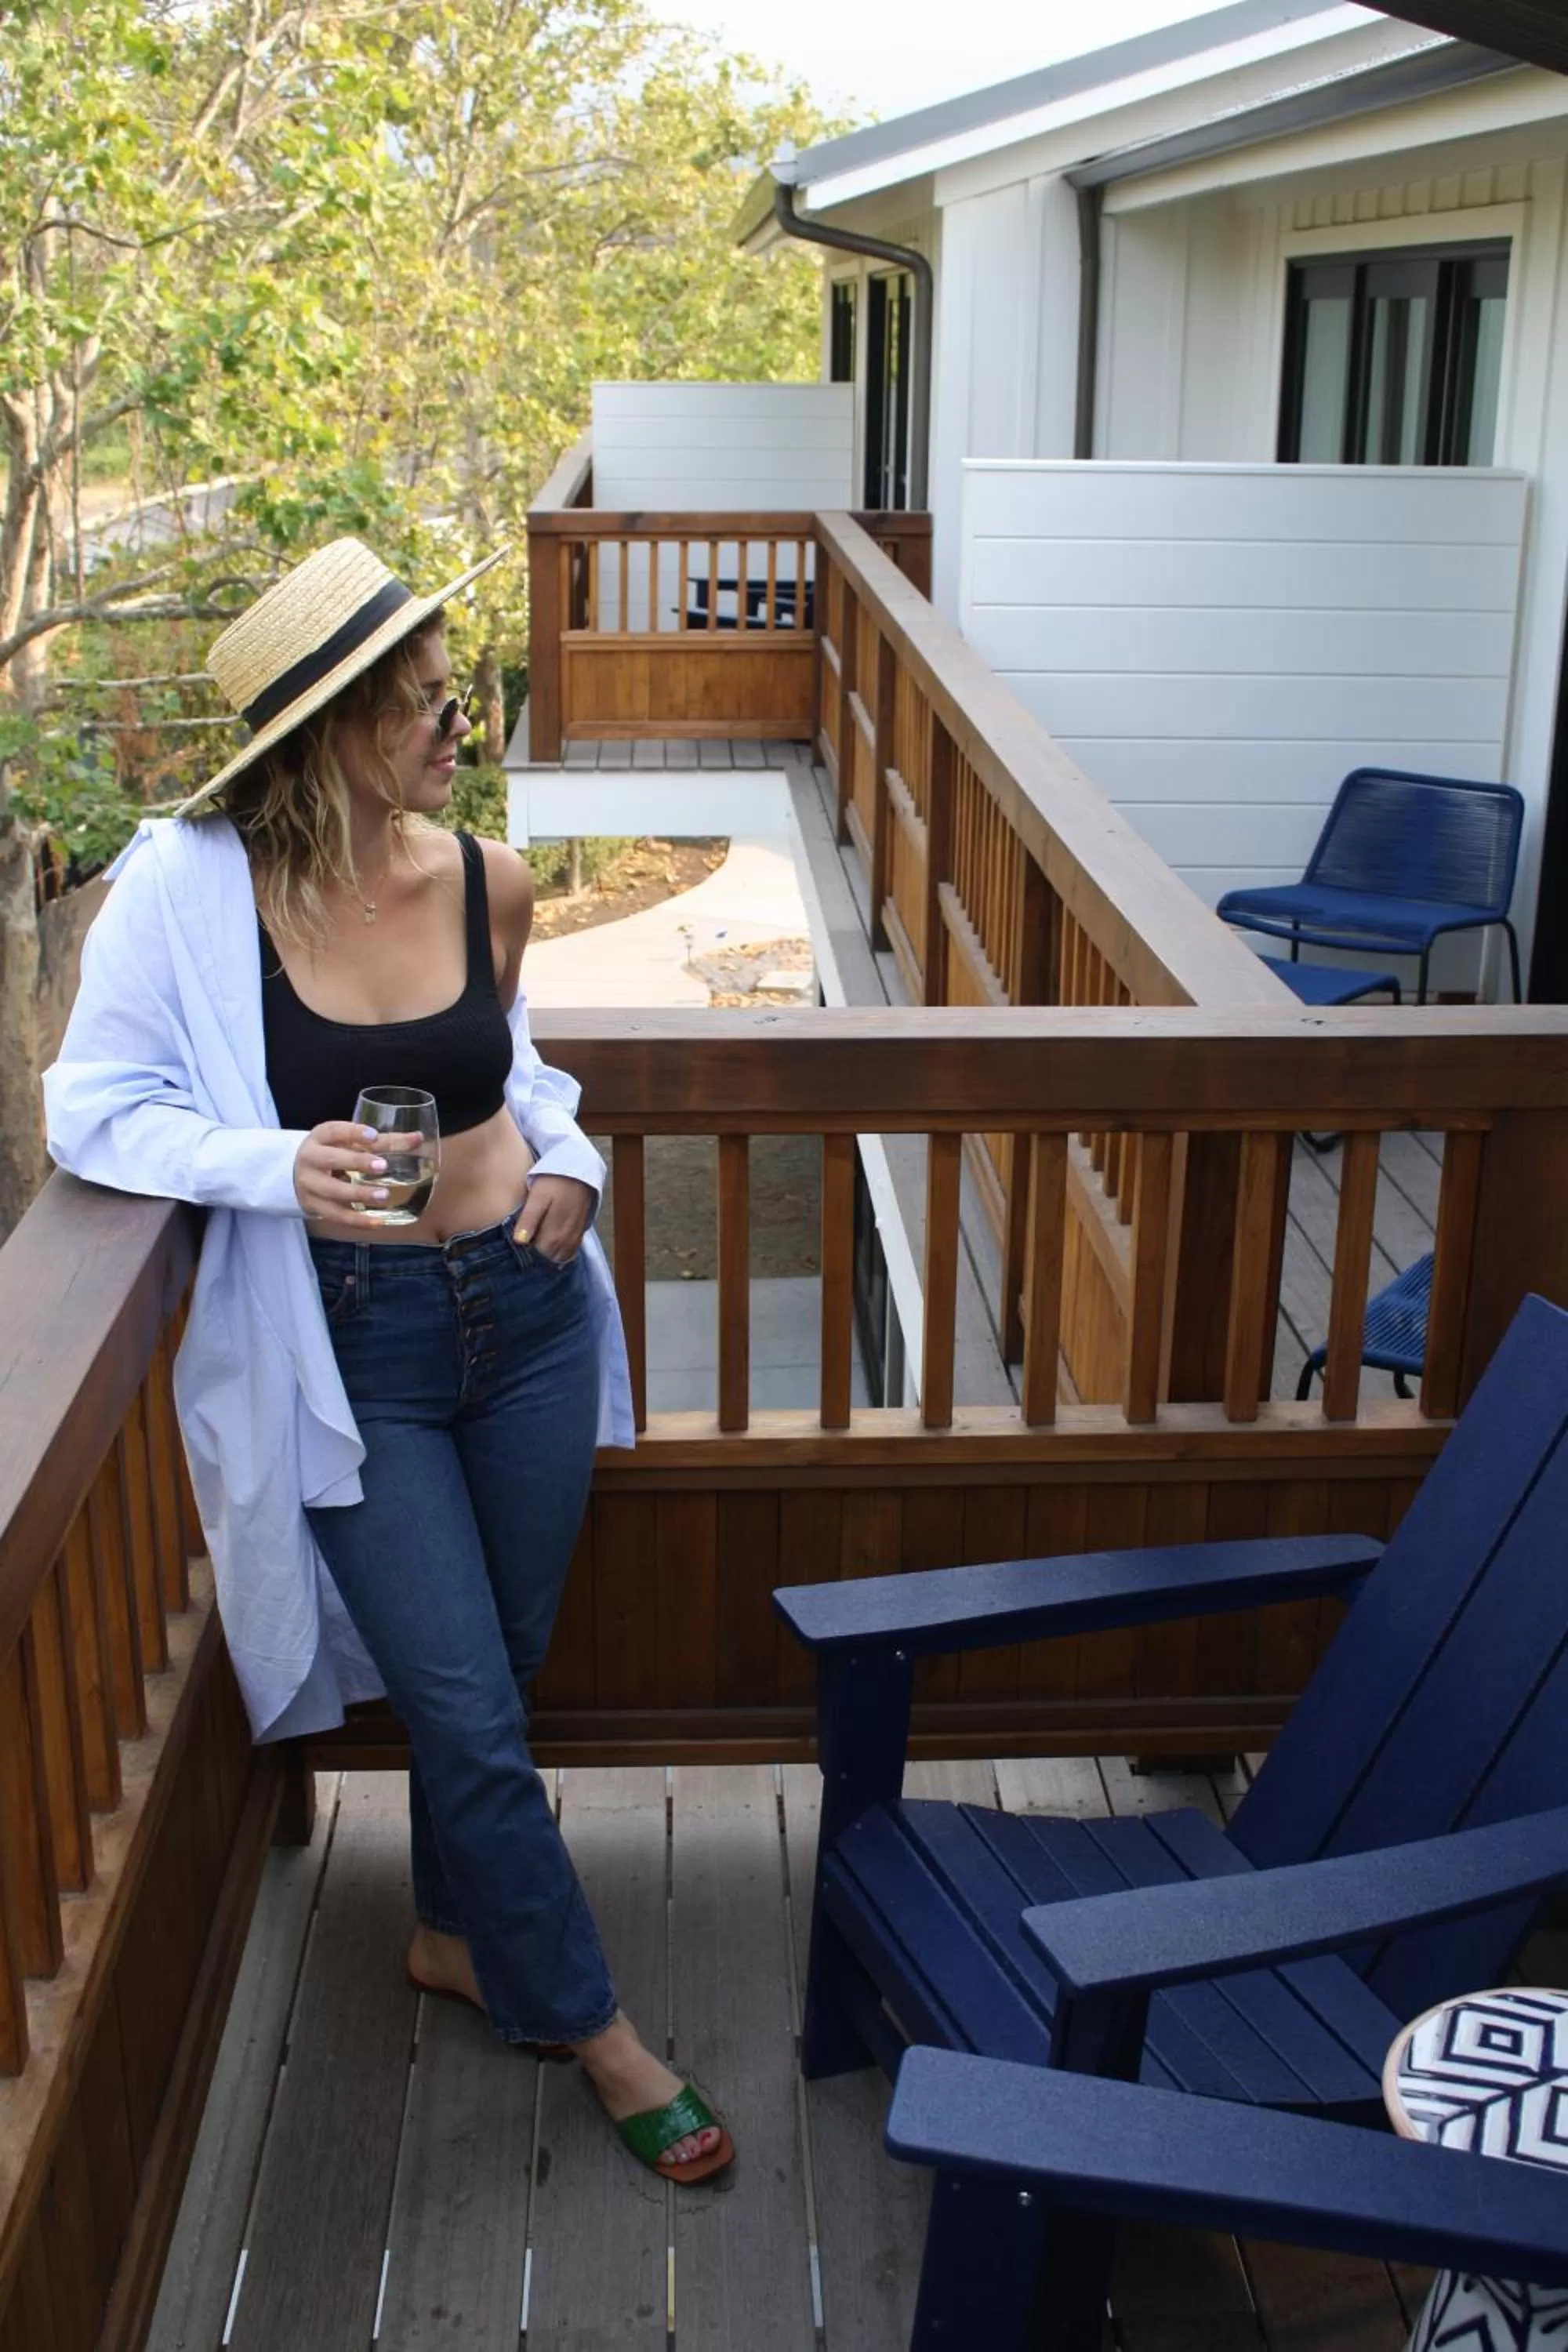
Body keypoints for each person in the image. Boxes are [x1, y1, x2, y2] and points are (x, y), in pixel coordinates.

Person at [44, 536, 731, 2185]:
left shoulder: (487, 880)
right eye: (422, 701)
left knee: (501, 1657)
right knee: (470, 1709)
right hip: (356, 1348)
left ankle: (447, 1931)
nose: (456, 721)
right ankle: (598, 2029)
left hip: (530, 1316)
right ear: (331, 731)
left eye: (448, 689)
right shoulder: (188, 898)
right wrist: (270, 1166)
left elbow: (517, 1073)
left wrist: (571, 1161)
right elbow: (91, 1109)